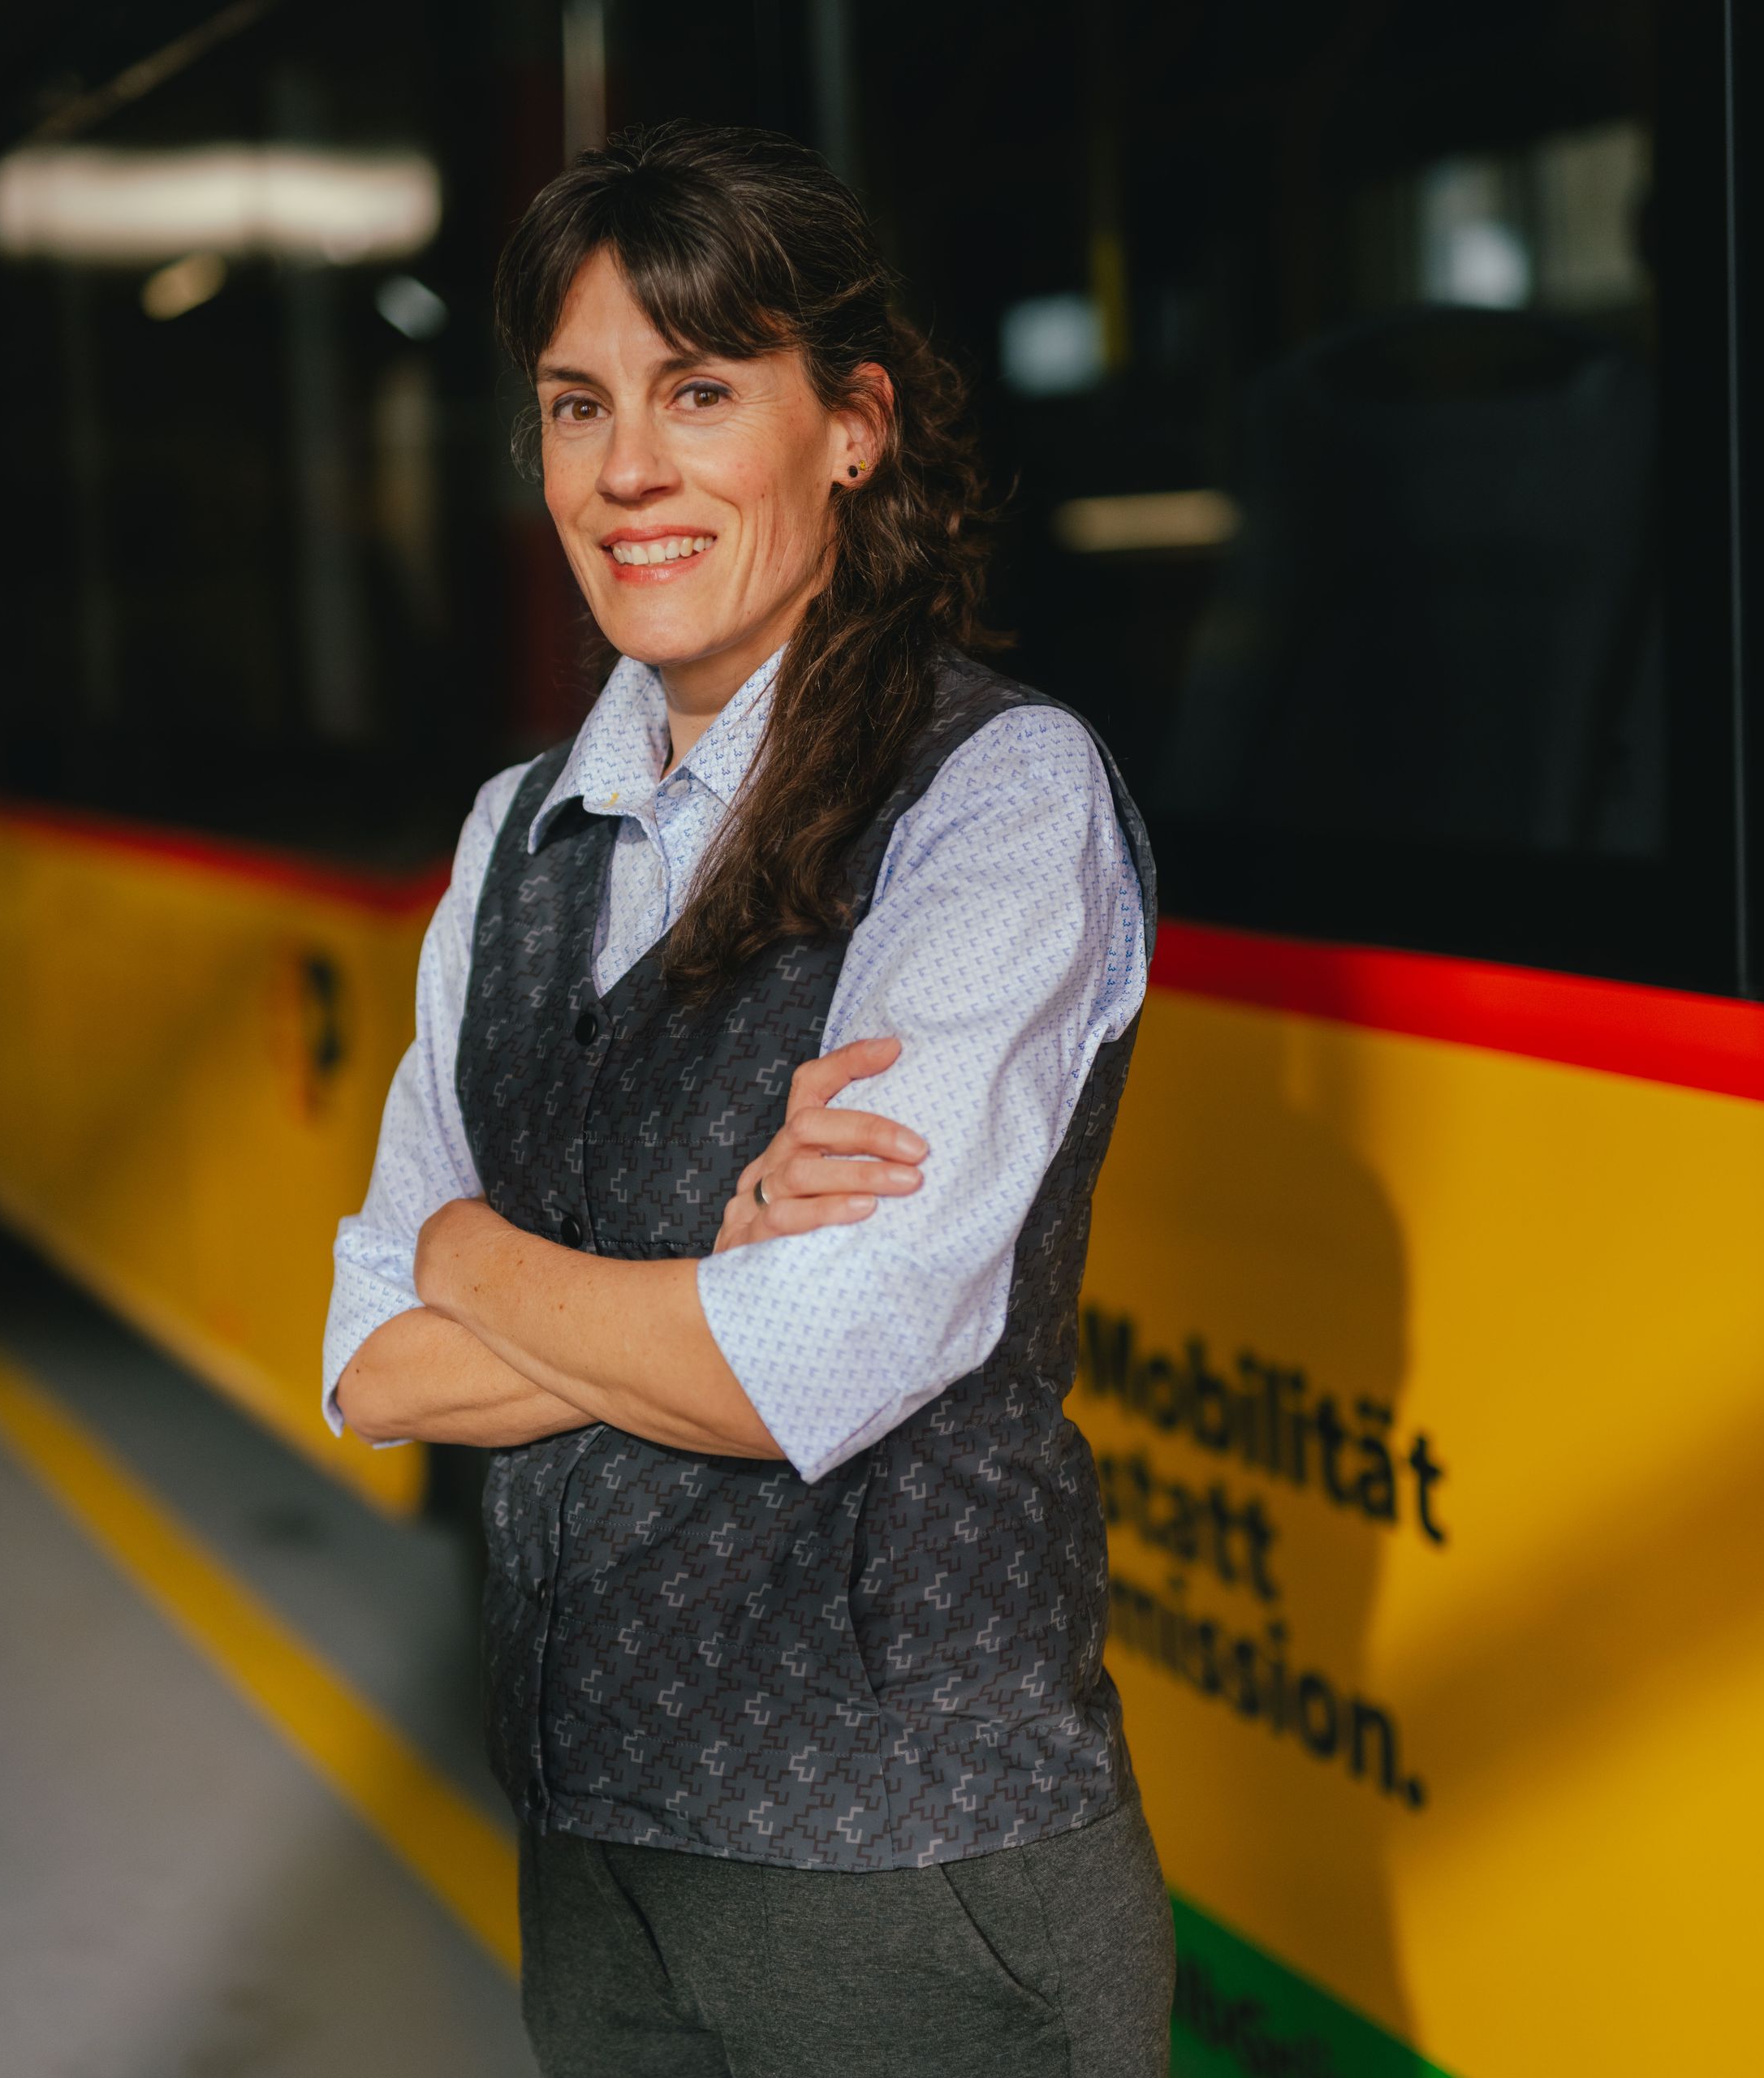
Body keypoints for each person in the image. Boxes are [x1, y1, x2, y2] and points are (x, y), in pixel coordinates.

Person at [320, 123, 1170, 2076]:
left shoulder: (996, 797)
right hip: (594, 1855)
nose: (629, 469)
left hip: (913, 1889)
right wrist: (687, 1259)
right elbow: (372, 1356)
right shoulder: (515, 831)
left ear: (852, 426)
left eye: (702, 389)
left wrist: (473, 1250)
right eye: (576, 404)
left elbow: (810, 1356)